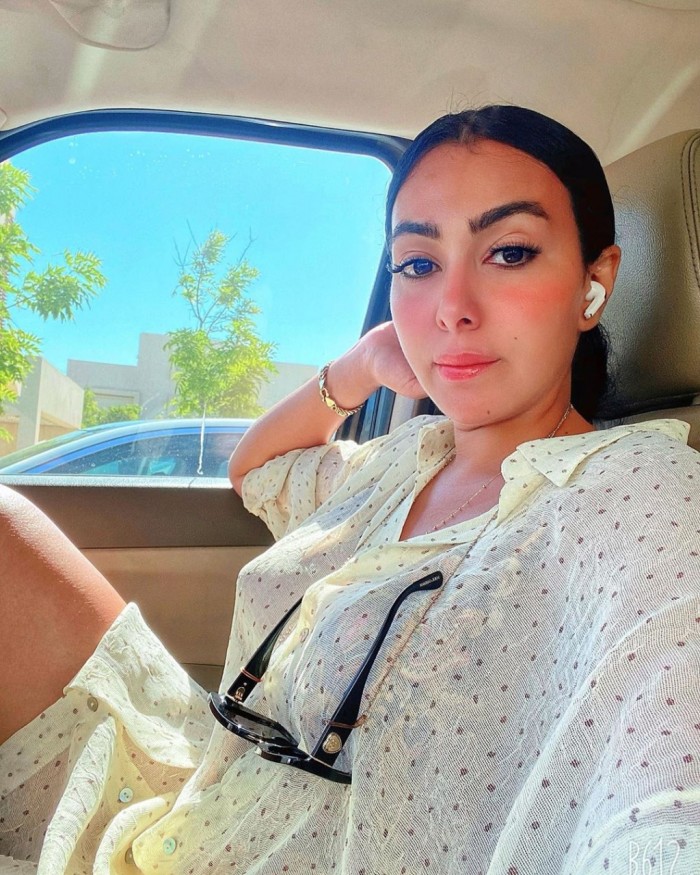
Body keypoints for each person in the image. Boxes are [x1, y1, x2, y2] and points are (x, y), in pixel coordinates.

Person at [1, 105, 698, 875]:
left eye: (509, 252)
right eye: (418, 264)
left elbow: (669, 791)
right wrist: (361, 366)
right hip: (197, 806)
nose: (452, 308)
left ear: (594, 283)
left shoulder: (639, 493)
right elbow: (254, 469)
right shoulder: (402, 460)